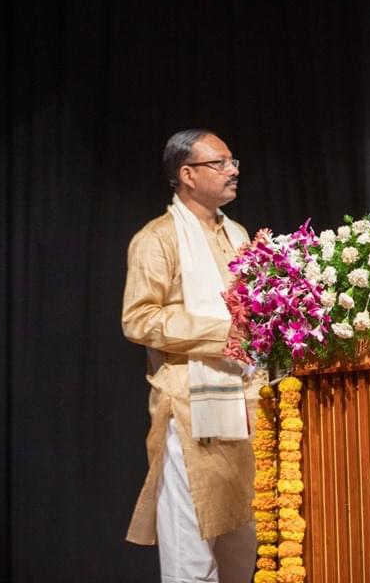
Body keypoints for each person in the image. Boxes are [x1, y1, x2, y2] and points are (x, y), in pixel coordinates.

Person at [122, 129, 258, 583]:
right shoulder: (158, 238)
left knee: (244, 547)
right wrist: (225, 331)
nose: (233, 169)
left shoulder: (236, 233)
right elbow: (140, 320)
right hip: (191, 406)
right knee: (192, 552)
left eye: (232, 160)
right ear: (187, 174)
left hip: (247, 406)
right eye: (219, 163)